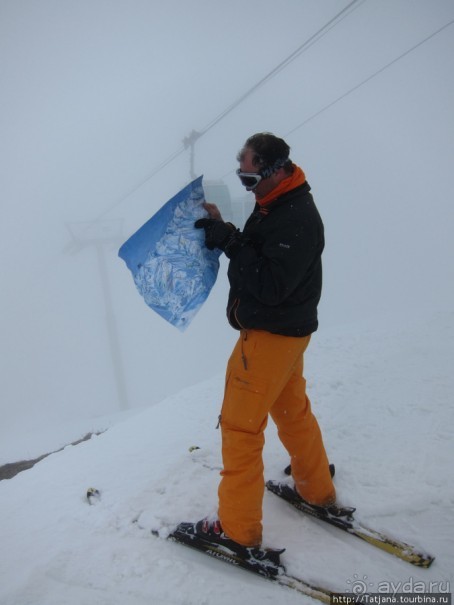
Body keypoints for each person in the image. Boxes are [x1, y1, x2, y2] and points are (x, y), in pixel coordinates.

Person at [193, 132, 336, 553]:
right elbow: (265, 252)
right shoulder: (278, 202)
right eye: (241, 177)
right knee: (292, 411)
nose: (245, 185)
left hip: (270, 336)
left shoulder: (296, 217)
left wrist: (231, 242)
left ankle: (236, 531)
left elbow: (271, 284)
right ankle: (316, 489)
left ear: (277, 170)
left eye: (250, 179)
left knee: (240, 428)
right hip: (289, 334)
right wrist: (226, 229)